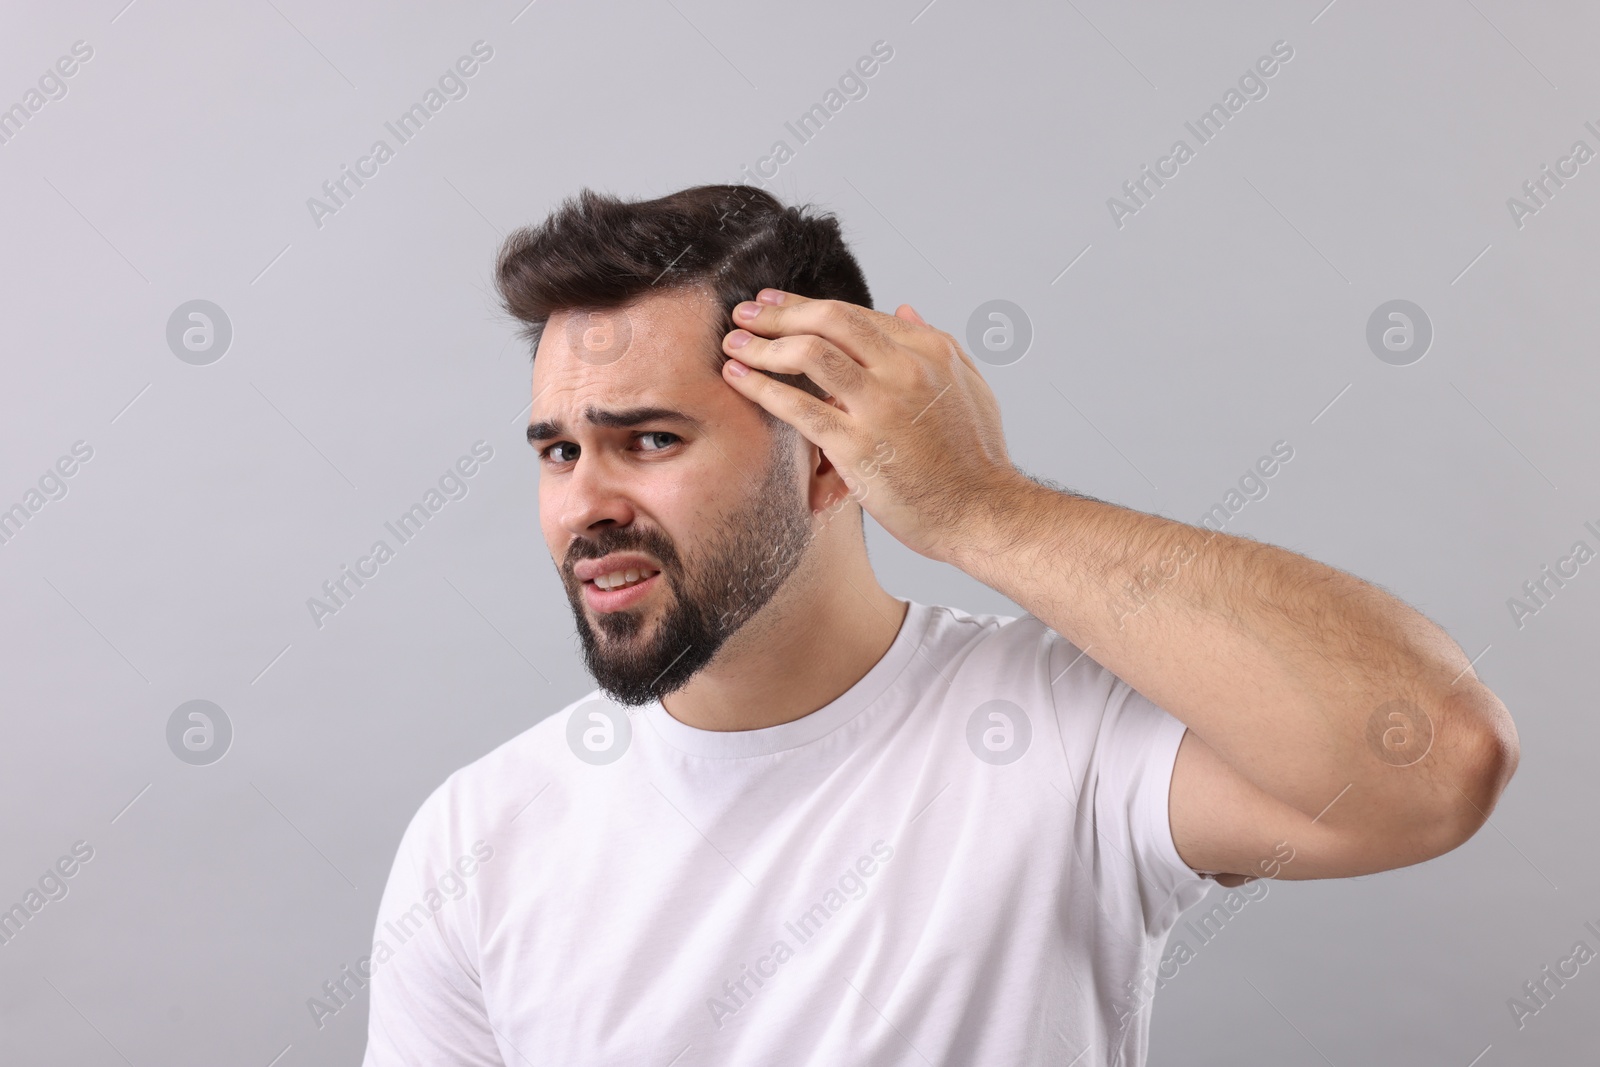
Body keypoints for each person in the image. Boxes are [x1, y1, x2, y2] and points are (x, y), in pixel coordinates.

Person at [360, 184, 1518, 1065]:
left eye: (649, 439)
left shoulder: (1061, 735)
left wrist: (984, 507)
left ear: (827, 458)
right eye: (560, 450)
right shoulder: (476, 836)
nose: (585, 504)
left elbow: (1436, 758)